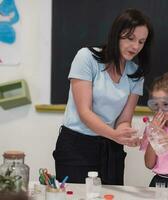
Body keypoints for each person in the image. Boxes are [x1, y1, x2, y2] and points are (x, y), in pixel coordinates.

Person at [52, 8, 154, 185]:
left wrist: (127, 134)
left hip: (111, 149)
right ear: (116, 34)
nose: (136, 46)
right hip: (77, 145)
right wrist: (115, 134)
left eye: (141, 41)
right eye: (130, 38)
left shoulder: (136, 73)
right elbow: (85, 112)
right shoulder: (87, 57)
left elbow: (124, 119)